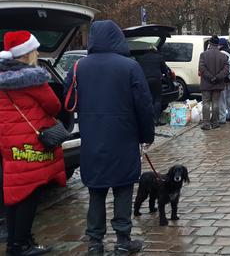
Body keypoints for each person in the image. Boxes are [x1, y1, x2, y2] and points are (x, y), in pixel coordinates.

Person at [64, 21, 155, 256]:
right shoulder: (129, 66)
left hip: (92, 139)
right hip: (123, 138)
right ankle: (123, 240)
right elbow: (144, 105)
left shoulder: (78, 66)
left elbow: (67, 100)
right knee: (123, 188)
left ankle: (94, 242)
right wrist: (147, 135)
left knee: (96, 190)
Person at [0, 31, 65, 256]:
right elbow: (54, 106)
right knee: (30, 193)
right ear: (26, 54)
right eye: (35, 49)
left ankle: (16, 242)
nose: (37, 52)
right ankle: (21, 245)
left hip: (9, 144)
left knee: (14, 193)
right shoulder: (33, 79)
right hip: (31, 143)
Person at [198, 35, 229, 130]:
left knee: (206, 103)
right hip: (218, 83)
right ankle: (215, 122)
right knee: (216, 103)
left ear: (210, 44)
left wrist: (210, 77)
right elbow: (226, 70)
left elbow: (202, 68)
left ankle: (206, 123)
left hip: (206, 83)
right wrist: (217, 77)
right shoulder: (223, 56)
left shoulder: (203, 55)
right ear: (218, 44)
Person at [134, 45, 171, 126]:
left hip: (145, 80)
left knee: (148, 99)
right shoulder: (158, 57)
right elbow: (164, 70)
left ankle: (148, 120)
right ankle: (155, 120)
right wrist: (167, 81)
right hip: (156, 80)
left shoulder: (140, 58)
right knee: (157, 99)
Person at [218, 38, 230, 122]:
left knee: (222, 99)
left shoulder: (221, 54)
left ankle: (222, 118)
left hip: (225, 79)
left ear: (221, 45)